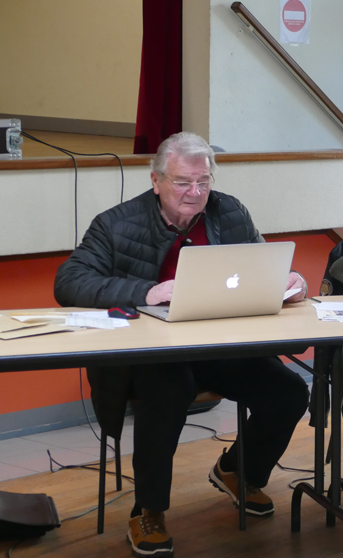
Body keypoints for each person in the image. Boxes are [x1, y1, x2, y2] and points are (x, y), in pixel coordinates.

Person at [54, 132, 310, 558]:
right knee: (168, 391)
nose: (195, 192)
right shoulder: (116, 223)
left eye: (203, 182)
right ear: (156, 180)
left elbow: (259, 263)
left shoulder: (229, 211)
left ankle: (238, 471)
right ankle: (148, 510)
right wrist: (147, 291)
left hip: (218, 346)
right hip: (151, 355)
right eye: (183, 182)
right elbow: (69, 282)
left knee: (289, 391)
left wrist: (288, 281)